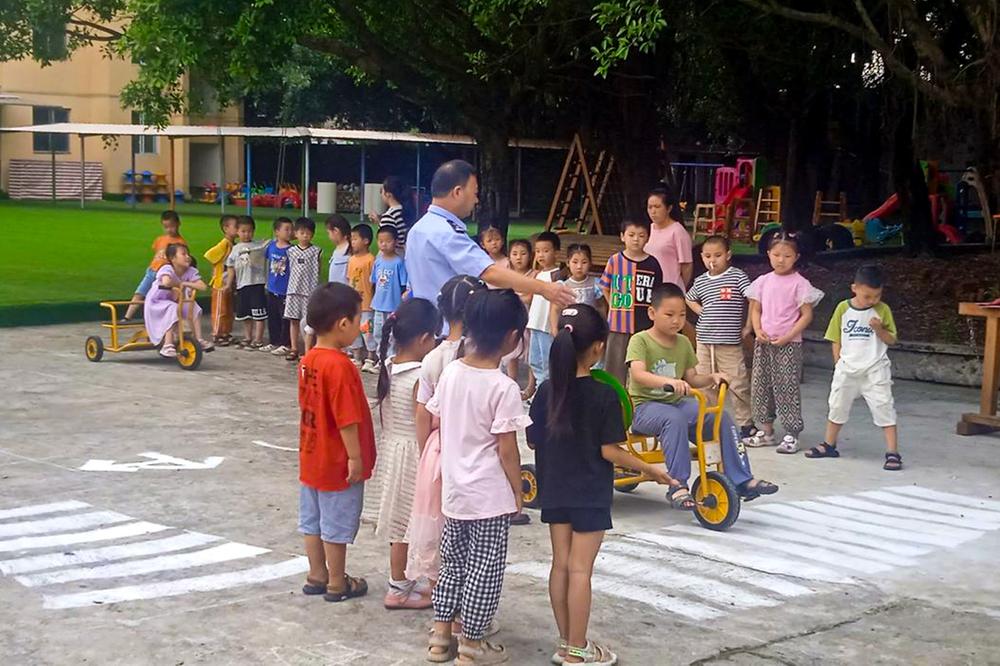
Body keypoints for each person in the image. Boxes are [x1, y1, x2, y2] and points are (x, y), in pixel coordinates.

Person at [528, 304, 672, 666]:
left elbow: (533, 441)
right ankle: (578, 650)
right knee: (580, 571)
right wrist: (651, 470)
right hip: (589, 492)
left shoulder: (546, 391)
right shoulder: (603, 394)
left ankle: (566, 643)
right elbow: (610, 451)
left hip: (555, 488)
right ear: (597, 348)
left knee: (560, 565)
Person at [425, 289, 531, 665]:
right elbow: (507, 449)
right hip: (488, 496)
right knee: (484, 570)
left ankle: (441, 636)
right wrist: (518, 490)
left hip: (455, 491)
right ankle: (471, 643)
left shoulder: (451, 372)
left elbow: (439, 419)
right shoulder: (503, 388)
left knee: (452, 563)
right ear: (511, 338)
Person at [628, 283, 779, 509]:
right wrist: (668, 382)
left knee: (720, 417)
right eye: (669, 315)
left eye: (681, 315)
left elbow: (692, 378)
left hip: (675, 404)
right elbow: (638, 374)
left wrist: (712, 377)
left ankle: (742, 479)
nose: (676, 321)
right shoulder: (641, 340)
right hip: (644, 408)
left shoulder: (683, 342)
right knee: (674, 419)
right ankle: (677, 484)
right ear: (652, 313)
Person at [407, 275, 489, 590]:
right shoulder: (482, 354)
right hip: (473, 445)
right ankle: (464, 593)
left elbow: (422, 413)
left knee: (439, 518)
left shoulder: (432, 358)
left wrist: (425, 450)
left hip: (437, 448)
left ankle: (439, 588)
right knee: (468, 525)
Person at [404, 159, 573, 309]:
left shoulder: (418, 229)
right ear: (457, 192)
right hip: (449, 329)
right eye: (475, 193)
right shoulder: (446, 232)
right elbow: (489, 272)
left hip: (424, 325)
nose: (476, 201)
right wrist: (544, 288)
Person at [297, 282, 376, 603]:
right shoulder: (340, 366)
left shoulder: (308, 359)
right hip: (336, 459)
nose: (359, 326)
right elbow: (347, 419)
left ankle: (316, 572)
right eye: (357, 320)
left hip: (311, 453)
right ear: (343, 324)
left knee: (312, 519)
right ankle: (336, 581)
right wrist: (355, 458)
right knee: (335, 522)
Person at [363, 298, 441, 610]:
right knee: (416, 525)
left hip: (393, 449)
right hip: (413, 454)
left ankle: (400, 584)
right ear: (424, 339)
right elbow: (422, 421)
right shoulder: (419, 374)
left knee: (400, 526)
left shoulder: (389, 365)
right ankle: (408, 588)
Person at [809, 265, 902, 470]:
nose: (872, 301)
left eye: (877, 296)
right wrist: (838, 364)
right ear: (855, 288)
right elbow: (835, 337)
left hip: (875, 368)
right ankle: (829, 444)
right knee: (837, 405)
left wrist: (879, 329)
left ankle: (892, 451)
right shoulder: (843, 308)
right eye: (867, 296)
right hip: (847, 368)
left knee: (884, 406)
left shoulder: (882, 310)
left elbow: (891, 339)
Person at [747, 232, 824, 453]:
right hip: (764, 343)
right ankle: (767, 430)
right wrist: (758, 330)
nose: (781, 260)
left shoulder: (800, 284)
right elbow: (756, 309)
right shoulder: (763, 281)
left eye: (787, 256)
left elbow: (806, 315)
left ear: (796, 257)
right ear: (769, 254)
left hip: (789, 345)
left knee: (787, 387)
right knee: (762, 385)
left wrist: (789, 336)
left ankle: (792, 433)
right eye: (777, 254)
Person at [685, 235, 755, 440]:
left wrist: (749, 325)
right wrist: (701, 311)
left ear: (728, 255)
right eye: (707, 256)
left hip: (729, 343)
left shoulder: (737, 276)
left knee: (738, 383)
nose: (712, 260)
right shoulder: (701, 281)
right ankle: (708, 422)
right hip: (704, 341)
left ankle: (746, 424)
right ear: (701, 257)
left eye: (717, 255)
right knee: (705, 383)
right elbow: (689, 298)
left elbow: (753, 299)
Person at [599, 218, 663, 386]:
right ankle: (615, 403)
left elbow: (658, 294)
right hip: (618, 324)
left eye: (641, 235)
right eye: (631, 235)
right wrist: (613, 305)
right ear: (622, 237)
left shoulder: (653, 264)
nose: (636, 239)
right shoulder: (615, 260)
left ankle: (639, 402)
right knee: (615, 369)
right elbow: (605, 286)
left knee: (642, 368)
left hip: (644, 326)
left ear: (648, 238)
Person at [143, 243, 211, 357]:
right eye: (183, 254)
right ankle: (167, 345)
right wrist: (181, 284)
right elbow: (166, 282)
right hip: (156, 302)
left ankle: (198, 339)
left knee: (193, 306)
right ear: (173, 258)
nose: (187, 256)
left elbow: (202, 286)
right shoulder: (167, 268)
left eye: (188, 254)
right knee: (172, 308)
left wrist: (185, 283)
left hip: (175, 301)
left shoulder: (190, 271)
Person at [123, 210, 186, 322]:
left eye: (171, 226)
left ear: (178, 224)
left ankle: (160, 319)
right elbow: (156, 252)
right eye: (166, 227)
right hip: (152, 270)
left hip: (165, 274)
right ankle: (127, 317)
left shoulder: (180, 243)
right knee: (140, 292)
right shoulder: (160, 239)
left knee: (157, 296)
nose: (169, 230)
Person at [225, 215, 269, 349]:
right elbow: (230, 266)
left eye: (249, 231)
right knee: (245, 314)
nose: (246, 234)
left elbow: (270, 244)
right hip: (242, 285)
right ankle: (248, 337)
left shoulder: (259, 246)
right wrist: (228, 283)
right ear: (237, 231)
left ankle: (258, 339)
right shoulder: (236, 248)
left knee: (258, 314)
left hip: (256, 284)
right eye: (243, 231)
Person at [284, 217, 323, 362]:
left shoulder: (316, 251)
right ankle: (294, 347)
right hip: (293, 289)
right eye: (302, 233)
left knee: (309, 322)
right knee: (293, 320)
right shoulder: (291, 251)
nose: (305, 236)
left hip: (309, 291)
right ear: (296, 233)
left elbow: (318, 269)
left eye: (308, 233)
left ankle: (310, 349)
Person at [527, 231, 562, 386]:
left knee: (547, 362)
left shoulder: (557, 275)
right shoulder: (538, 274)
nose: (541, 255)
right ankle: (539, 390)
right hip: (535, 323)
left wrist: (554, 325)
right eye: (538, 251)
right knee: (534, 361)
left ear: (556, 253)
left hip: (546, 326)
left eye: (546, 251)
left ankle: (546, 392)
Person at [371, 225, 409, 360]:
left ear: (395, 242)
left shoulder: (399, 262)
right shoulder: (378, 262)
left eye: (388, 241)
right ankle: (380, 357)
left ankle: (390, 357)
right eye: (380, 241)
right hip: (379, 304)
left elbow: (403, 284)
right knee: (378, 332)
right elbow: (374, 282)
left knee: (392, 333)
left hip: (393, 304)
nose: (384, 244)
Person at [644, 186, 693, 290]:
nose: (653, 211)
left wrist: (679, 288)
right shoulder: (650, 228)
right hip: (650, 286)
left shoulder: (678, 231)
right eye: (650, 207)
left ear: (669, 208)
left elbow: (687, 265)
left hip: (670, 288)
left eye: (657, 207)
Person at [549, 243, 603, 333]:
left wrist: (602, 327)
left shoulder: (596, 284)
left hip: (590, 329)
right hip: (568, 328)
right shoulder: (562, 286)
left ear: (590, 263)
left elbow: (601, 307)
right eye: (575, 262)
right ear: (568, 263)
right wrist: (554, 329)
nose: (579, 266)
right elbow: (555, 310)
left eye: (584, 262)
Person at [509, 239, 537, 399]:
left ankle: (530, 386)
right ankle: (511, 383)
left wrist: (515, 296)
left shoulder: (533, 275)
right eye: (514, 254)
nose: (519, 257)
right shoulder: (508, 275)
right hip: (512, 320)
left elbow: (530, 298)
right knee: (512, 352)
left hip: (529, 320)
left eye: (523, 253)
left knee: (530, 354)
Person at [204, 214, 239, 345]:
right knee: (220, 309)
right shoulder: (224, 244)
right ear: (226, 228)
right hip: (220, 282)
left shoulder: (233, 244)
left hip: (228, 282)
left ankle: (226, 332)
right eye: (235, 226)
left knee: (228, 309)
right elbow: (210, 255)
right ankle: (217, 333)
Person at [347, 224, 377, 371]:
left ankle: (371, 357)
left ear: (365, 241)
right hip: (352, 304)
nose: (352, 242)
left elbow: (374, 282)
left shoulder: (371, 260)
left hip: (366, 304)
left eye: (355, 239)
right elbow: (349, 279)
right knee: (353, 331)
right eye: (351, 239)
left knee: (367, 331)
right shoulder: (351, 260)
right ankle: (356, 356)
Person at [263, 217, 293, 355]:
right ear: (277, 231)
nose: (289, 232)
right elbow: (267, 263)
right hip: (272, 287)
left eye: (290, 229)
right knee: (273, 316)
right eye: (286, 229)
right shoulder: (271, 247)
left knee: (285, 317)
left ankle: (285, 342)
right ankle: (273, 340)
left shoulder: (292, 250)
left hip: (285, 289)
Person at [368, 175, 409, 252]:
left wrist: (380, 222)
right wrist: (379, 221)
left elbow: (385, 237)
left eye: (382, 191)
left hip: (392, 255)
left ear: (388, 194)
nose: (381, 194)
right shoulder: (404, 210)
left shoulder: (389, 215)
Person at [325, 214, 353, 284]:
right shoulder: (338, 249)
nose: (329, 236)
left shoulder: (349, 251)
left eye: (329, 233)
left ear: (336, 231)